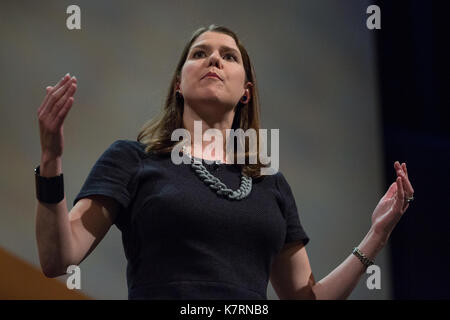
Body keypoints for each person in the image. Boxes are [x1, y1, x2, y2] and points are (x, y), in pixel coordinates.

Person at [35, 24, 415, 300]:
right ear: (179, 85)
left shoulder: (270, 183)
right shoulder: (133, 160)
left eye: (228, 56)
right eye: (199, 53)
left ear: (246, 91)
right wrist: (51, 159)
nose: (213, 58)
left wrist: (376, 236)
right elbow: (58, 258)